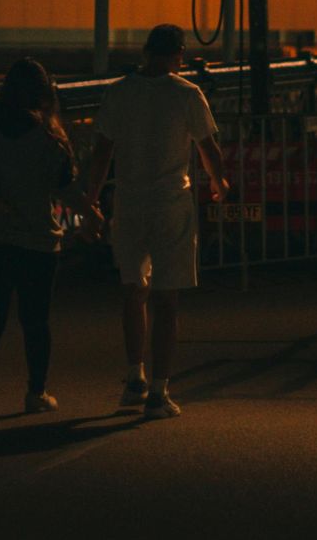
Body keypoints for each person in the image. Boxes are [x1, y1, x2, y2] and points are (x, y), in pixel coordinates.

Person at [74, 22, 228, 418]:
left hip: (129, 201)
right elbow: (208, 147)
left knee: (132, 290)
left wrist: (91, 199)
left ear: (146, 51)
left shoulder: (119, 92)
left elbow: (102, 152)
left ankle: (134, 377)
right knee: (167, 298)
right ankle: (159, 391)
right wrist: (219, 183)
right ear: (179, 54)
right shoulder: (187, 93)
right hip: (171, 201)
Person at [0, 58, 76, 427]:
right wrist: (95, 216)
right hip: (37, 240)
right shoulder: (49, 139)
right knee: (35, 321)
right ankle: (36, 392)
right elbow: (65, 187)